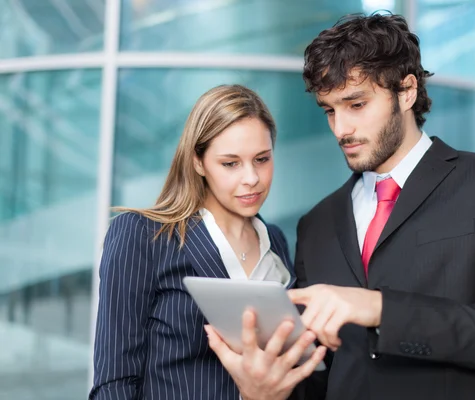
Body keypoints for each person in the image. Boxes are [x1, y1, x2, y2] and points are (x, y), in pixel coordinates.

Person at [207, 13, 475, 400]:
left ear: (406, 91)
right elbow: (320, 378)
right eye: (330, 110)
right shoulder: (317, 223)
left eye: (356, 104)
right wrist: (268, 389)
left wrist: (381, 309)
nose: (340, 128)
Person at [89, 84, 326, 400]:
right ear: (198, 163)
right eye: (230, 163)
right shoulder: (143, 235)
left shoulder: (277, 243)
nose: (251, 178)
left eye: (262, 159)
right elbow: (114, 384)